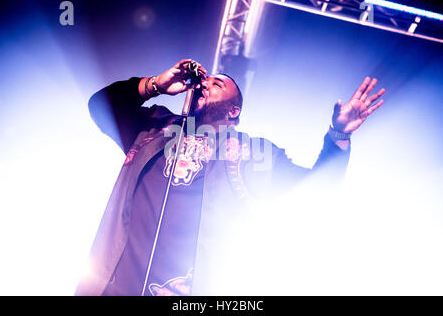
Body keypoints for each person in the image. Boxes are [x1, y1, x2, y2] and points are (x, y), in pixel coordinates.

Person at [75, 59, 385, 296]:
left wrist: (339, 135)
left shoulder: (255, 152)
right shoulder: (153, 126)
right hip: (113, 286)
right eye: (205, 80)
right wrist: (156, 84)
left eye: (218, 84)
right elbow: (100, 106)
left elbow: (316, 191)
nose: (206, 83)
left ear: (233, 111)